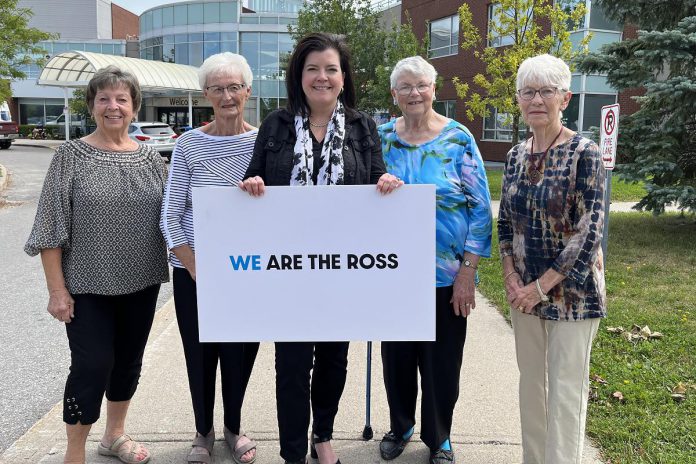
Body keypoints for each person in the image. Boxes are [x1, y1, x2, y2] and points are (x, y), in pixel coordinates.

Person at [239, 33, 402, 464]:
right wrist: (253, 184)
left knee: (333, 360)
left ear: (343, 78)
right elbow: (254, 179)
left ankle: (323, 436)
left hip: (341, 271)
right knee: (292, 367)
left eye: (331, 69)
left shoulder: (362, 126)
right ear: (300, 76)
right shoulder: (275, 125)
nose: (322, 77)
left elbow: (375, 180)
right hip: (288, 271)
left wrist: (385, 185)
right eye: (313, 69)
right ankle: (293, 451)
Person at [24, 65, 169, 464]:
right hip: (86, 286)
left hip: (142, 283)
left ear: (134, 107)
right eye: (103, 98)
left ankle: (114, 436)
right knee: (92, 366)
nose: (113, 106)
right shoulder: (70, 157)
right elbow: (50, 227)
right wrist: (57, 290)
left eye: (122, 98)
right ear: (91, 106)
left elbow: (176, 216)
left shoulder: (153, 160)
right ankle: (75, 451)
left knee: (127, 363)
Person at [376, 56, 492, 464]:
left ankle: (439, 436)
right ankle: (402, 424)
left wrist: (468, 273)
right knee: (398, 360)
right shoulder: (381, 138)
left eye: (421, 85)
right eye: (404, 86)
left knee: (442, 363)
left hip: (446, 277)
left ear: (433, 89)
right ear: (394, 94)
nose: (413, 93)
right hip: (392, 274)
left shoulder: (458, 139)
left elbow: (480, 211)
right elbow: (358, 194)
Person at [498, 53, 606, 464]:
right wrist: (511, 276)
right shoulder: (514, 155)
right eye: (528, 92)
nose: (536, 100)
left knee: (565, 392)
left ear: (566, 97)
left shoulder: (584, 152)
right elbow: (505, 222)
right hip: (523, 294)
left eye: (546, 91)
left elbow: (589, 229)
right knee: (532, 388)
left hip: (572, 295)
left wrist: (540, 287)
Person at [160, 52, 260, 464]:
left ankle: (234, 427)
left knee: (240, 353)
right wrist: (198, 269)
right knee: (199, 354)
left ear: (247, 92)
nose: (227, 96)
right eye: (217, 89)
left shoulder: (263, 142)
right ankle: (203, 431)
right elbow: (170, 216)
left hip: (248, 273)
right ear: (205, 95)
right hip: (195, 271)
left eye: (234, 87)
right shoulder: (188, 144)